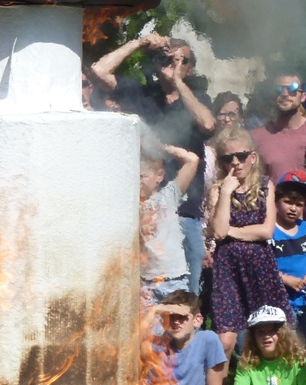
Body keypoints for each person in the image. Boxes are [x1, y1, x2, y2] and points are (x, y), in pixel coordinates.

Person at [92, 34, 215, 294]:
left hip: (184, 213)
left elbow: (207, 124)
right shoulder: (142, 94)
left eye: (182, 61)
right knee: (144, 294)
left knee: (186, 295)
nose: (173, 64)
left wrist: (178, 81)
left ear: (190, 67)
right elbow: (98, 71)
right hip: (144, 211)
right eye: (167, 59)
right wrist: (138, 43)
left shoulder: (197, 98)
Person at [206, 127, 292, 354]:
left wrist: (230, 231)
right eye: (227, 158)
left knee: (270, 333)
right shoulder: (217, 190)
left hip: (259, 267)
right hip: (228, 269)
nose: (235, 162)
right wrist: (226, 193)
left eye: (241, 156)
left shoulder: (265, 186)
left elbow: (266, 231)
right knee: (225, 339)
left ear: (252, 157)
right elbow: (217, 232)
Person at [151, 291, 228, 385]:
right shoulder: (155, 345)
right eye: (170, 317)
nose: (176, 322)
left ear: (197, 320)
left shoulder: (207, 340)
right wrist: (154, 311)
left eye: (182, 317)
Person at [139, 140, 199, 305]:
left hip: (173, 279)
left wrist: (163, 148)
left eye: (142, 176)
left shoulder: (169, 195)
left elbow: (192, 160)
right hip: (145, 284)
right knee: (150, 330)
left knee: (175, 326)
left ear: (159, 176)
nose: (138, 181)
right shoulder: (130, 206)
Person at [271, 171, 306, 344]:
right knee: (287, 344)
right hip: (281, 300)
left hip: (304, 300)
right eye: (288, 202)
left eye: (299, 204)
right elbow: (264, 266)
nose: (293, 208)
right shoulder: (270, 231)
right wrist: (285, 279)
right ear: (276, 201)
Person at [251, 72, 306, 184]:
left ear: (303, 97)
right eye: (279, 89)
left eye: (292, 89)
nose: (284, 93)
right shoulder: (256, 138)